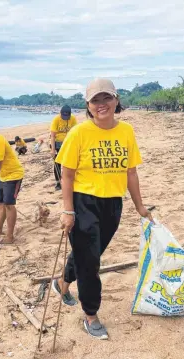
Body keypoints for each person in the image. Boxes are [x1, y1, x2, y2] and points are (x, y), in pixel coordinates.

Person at [53, 78, 154, 339]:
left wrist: (140, 206)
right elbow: (67, 173)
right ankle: (91, 314)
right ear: (87, 105)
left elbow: (131, 171)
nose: (101, 104)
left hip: (113, 204)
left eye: (106, 98)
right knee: (90, 262)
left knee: (90, 252)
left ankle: (62, 284)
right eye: (95, 100)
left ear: (116, 100)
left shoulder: (127, 131)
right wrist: (68, 210)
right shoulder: (79, 133)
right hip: (84, 202)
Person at [50, 105, 77, 191]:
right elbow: (53, 136)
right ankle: (58, 182)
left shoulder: (73, 119)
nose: (65, 118)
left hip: (69, 143)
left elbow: (75, 133)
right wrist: (53, 149)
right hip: (57, 143)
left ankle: (70, 180)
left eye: (67, 116)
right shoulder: (56, 120)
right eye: (63, 116)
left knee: (70, 162)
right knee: (57, 163)